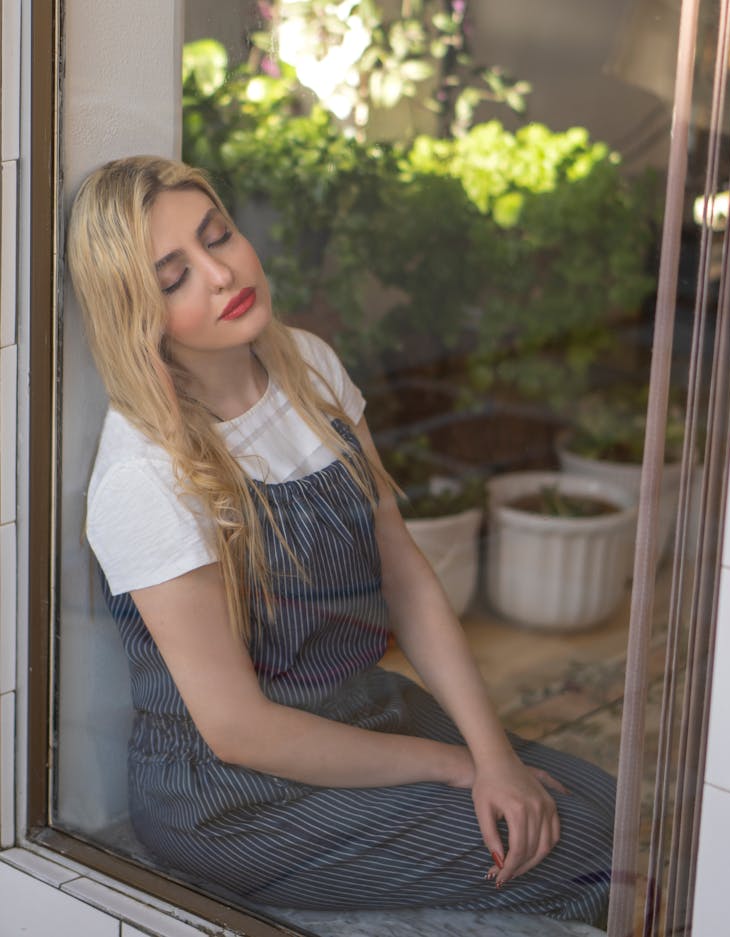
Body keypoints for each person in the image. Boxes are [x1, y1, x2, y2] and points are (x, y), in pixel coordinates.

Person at [67, 155, 615, 924]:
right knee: (585, 849)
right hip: (237, 796)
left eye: (217, 236)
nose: (221, 274)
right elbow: (238, 730)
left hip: (363, 707)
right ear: (137, 312)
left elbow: (407, 576)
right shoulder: (144, 476)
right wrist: (457, 767)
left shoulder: (309, 365)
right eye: (173, 277)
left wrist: (494, 756)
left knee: (608, 809)